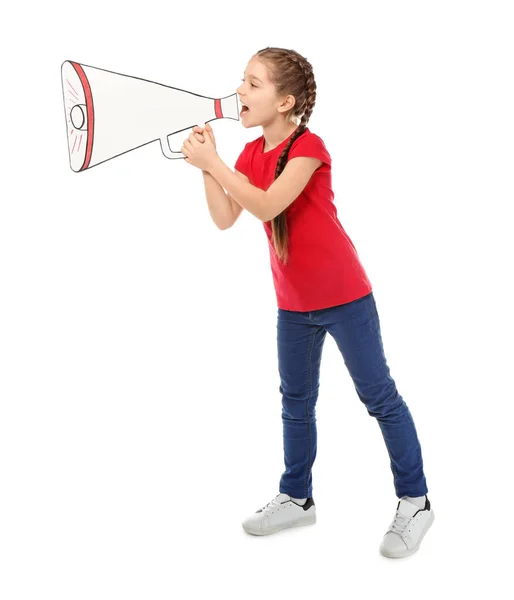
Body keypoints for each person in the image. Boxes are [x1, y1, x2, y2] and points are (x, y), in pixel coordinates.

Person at [180, 47, 434, 558]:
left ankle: (416, 501)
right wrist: (207, 166)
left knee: (379, 397)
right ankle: (297, 497)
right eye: (242, 81)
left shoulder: (309, 148)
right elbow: (226, 217)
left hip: (345, 296)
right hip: (293, 304)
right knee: (295, 403)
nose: (241, 92)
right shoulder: (250, 153)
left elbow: (269, 203)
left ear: (286, 100)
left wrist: (216, 163)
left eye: (253, 84)